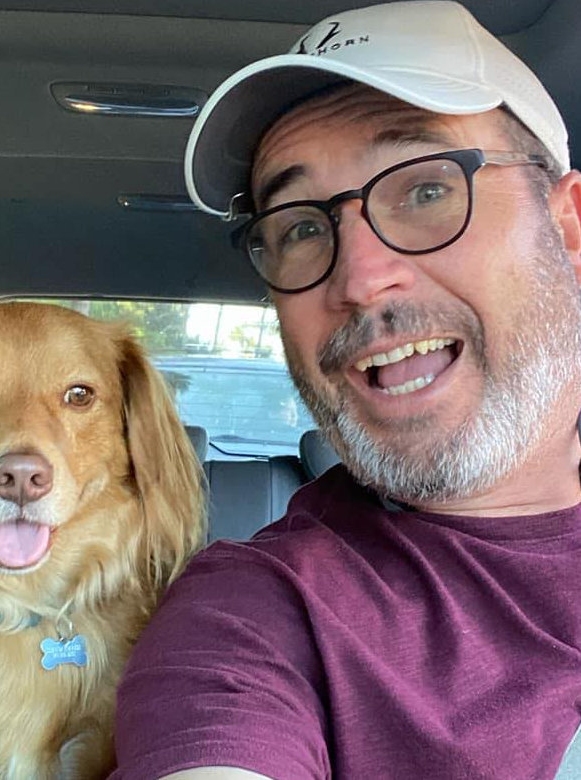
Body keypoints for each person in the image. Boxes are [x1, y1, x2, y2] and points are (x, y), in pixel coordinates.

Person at [110, 2, 581, 778]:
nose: (359, 279)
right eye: (300, 227)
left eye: (426, 190)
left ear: (567, 228)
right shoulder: (254, 613)